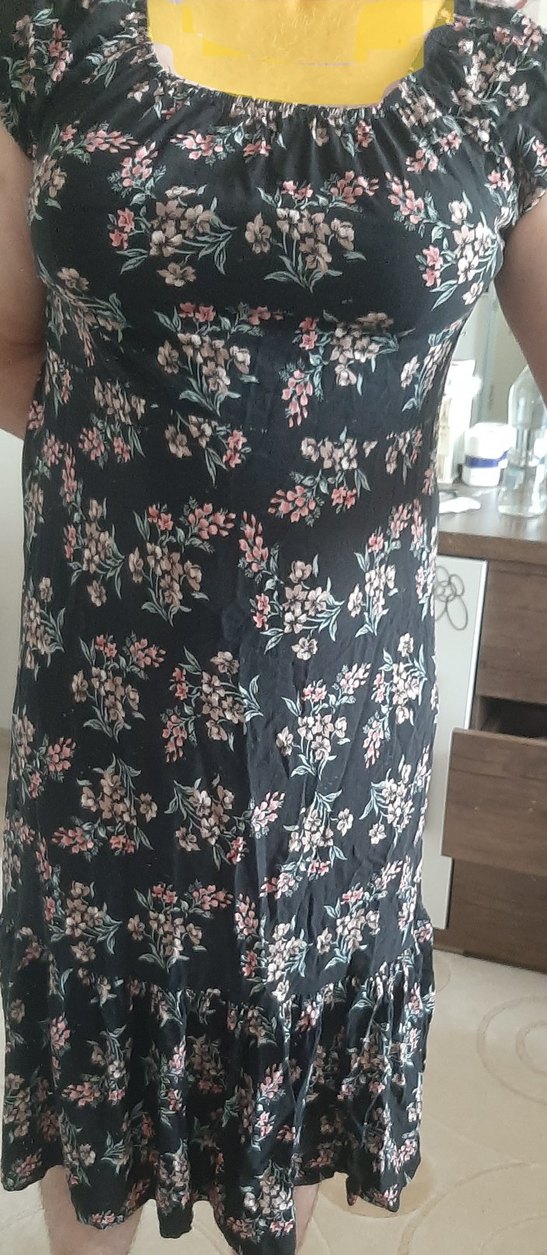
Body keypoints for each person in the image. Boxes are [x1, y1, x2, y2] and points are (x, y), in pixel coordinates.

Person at [0, 1, 546, 1253]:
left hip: (337, 728)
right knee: (101, 1013)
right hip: (104, 703)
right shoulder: (51, 38)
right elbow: (12, 344)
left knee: (290, 1021)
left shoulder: (501, 76)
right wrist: (155, 480)